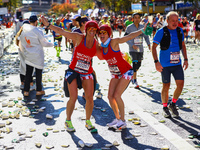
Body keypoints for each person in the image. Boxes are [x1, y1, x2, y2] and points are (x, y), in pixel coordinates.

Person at [41, 16, 101, 132]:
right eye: (90, 29)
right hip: (73, 71)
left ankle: (88, 121)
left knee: (90, 98)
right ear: (86, 29)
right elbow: (62, 32)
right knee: (73, 98)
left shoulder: (96, 44)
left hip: (86, 73)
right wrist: (48, 25)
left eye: (94, 30)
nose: (92, 31)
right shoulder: (79, 37)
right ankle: (68, 121)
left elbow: (104, 55)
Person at [98, 24, 147, 130]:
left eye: (104, 32)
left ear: (108, 34)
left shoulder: (113, 42)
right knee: (110, 97)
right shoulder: (101, 46)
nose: (102, 35)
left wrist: (141, 30)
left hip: (126, 72)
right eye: (100, 33)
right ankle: (117, 119)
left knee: (117, 95)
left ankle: (123, 121)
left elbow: (128, 37)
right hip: (115, 73)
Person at [152, 11, 188, 118]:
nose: (175, 23)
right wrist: (156, 62)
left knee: (180, 85)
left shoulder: (180, 31)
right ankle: (164, 107)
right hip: (165, 65)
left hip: (177, 64)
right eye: (173, 21)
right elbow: (153, 47)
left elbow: (183, 45)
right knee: (166, 86)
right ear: (167, 21)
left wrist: (185, 59)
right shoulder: (161, 31)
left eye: (176, 21)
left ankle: (172, 104)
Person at [19, 15, 53, 96]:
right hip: (38, 55)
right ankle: (39, 90)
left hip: (28, 55)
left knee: (28, 73)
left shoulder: (24, 31)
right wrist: (51, 44)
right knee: (38, 73)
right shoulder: (38, 31)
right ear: (36, 21)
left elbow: (22, 44)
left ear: (29, 21)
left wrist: (26, 52)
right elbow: (44, 43)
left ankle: (26, 91)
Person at [124, 13, 151, 89]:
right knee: (135, 63)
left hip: (140, 49)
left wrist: (149, 45)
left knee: (138, 65)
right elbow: (125, 37)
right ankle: (135, 80)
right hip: (132, 49)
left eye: (138, 17)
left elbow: (146, 37)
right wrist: (132, 45)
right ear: (133, 19)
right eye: (135, 17)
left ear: (140, 19)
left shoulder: (143, 27)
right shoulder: (129, 28)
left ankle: (133, 74)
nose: (137, 19)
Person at [16, 20, 36, 91]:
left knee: (22, 68)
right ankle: (31, 84)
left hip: (21, 52)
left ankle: (22, 84)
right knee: (29, 69)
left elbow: (17, 42)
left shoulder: (20, 33)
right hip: (28, 53)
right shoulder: (30, 34)